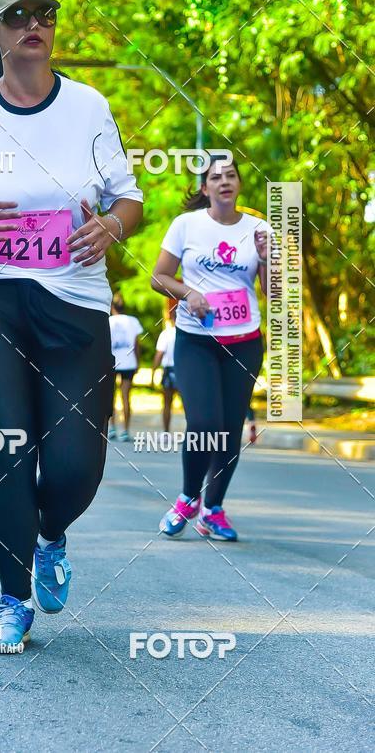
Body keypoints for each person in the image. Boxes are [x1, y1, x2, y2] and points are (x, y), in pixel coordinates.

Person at [0, 0, 143, 650]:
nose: (32, 24)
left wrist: (110, 228)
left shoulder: (89, 107)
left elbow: (129, 200)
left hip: (72, 299)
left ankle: (48, 534)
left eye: (43, 13)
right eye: (16, 16)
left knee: (77, 464)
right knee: (8, 454)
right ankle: (11, 598)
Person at [151, 156, 268, 541]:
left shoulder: (259, 229)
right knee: (204, 423)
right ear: (205, 188)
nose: (224, 182)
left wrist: (268, 261)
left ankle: (213, 509)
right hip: (196, 340)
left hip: (245, 341)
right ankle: (188, 498)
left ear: (238, 185)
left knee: (230, 429)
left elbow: (274, 294)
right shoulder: (186, 225)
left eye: (230, 175)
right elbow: (159, 277)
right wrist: (189, 293)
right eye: (215, 177)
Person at [108, 293, 143, 442]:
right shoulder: (133, 321)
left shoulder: (108, 321)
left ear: (112, 307)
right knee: (126, 397)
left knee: (111, 396)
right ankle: (126, 431)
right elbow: (136, 344)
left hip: (112, 361)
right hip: (129, 362)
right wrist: (138, 361)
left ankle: (112, 427)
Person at [151, 302, 178, 432]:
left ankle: (166, 432)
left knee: (167, 403)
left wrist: (153, 372)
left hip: (169, 369)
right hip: (183, 369)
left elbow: (159, 354)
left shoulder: (166, 334)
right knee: (189, 404)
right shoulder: (187, 335)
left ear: (171, 318)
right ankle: (191, 434)